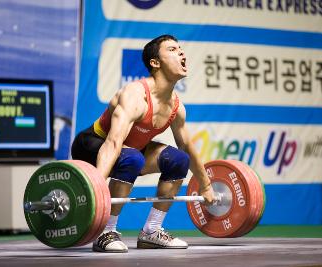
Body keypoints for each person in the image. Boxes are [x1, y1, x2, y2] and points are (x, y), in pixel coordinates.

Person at [71, 34, 216, 253]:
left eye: (181, 49)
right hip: (91, 144)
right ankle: (104, 231)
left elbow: (187, 147)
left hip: (130, 151)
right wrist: (96, 193)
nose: (182, 53)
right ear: (155, 63)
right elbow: (113, 143)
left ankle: (151, 231)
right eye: (173, 49)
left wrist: (205, 185)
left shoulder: (176, 107)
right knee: (132, 158)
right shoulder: (135, 95)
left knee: (178, 159)